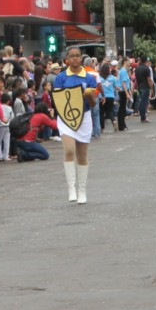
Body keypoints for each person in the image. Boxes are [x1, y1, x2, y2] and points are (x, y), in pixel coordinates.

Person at [53, 46, 98, 203]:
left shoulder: (89, 77)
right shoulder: (61, 77)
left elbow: (93, 105)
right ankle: (71, 187)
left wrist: (89, 96)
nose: (75, 59)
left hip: (84, 117)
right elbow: (57, 99)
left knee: (82, 155)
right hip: (66, 117)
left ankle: (82, 190)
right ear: (67, 58)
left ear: (81, 57)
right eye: (72, 56)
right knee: (69, 150)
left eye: (77, 56)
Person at [134, 57, 154, 123]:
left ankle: (141, 115)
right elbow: (149, 79)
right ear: (146, 61)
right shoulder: (147, 68)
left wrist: (137, 86)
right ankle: (143, 117)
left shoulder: (137, 68)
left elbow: (136, 79)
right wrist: (151, 87)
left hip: (139, 86)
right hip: (145, 86)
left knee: (141, 101)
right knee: (144, 102)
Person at [117, 58, 132, 131]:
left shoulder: (124, 70)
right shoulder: (123, 71)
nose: (130, 63)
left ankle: (122, 124)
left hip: (124, 90)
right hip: (122, 91)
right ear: (125, 62)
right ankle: (121, 125)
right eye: (128, 61)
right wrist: (127, 93)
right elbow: (123, 83)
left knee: (123, 108)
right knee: (122, 108)